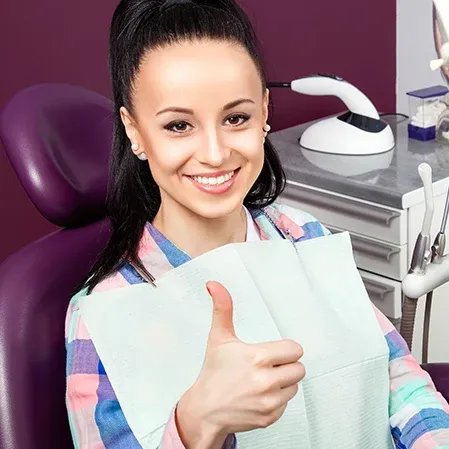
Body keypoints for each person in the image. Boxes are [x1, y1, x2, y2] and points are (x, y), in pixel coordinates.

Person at [65, 0, 449, 448]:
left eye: (235, 118)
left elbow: (397, 379)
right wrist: (195, 425)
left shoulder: (304, 237)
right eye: (178, 125)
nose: (214, 153)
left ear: (264, 113)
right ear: (134, 131)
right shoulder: (105, 315)